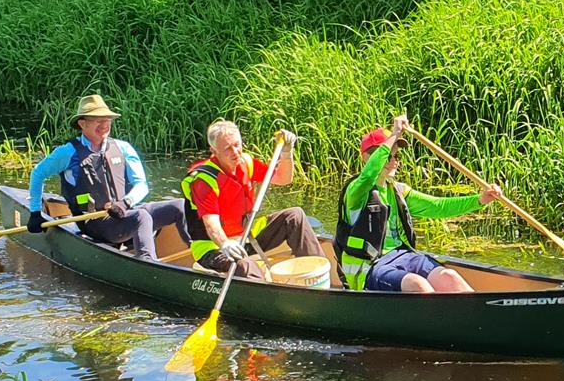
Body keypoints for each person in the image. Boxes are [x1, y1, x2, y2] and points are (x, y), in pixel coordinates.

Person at [336, 113, 500, 292]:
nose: (393, 162)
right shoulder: (357, 191)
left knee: (450, 277)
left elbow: (438, 206)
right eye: (387, 157)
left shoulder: (398, 191)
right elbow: (369, 174)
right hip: (370, 265)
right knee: (418, 285)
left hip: (403, 256)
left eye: (396, 157)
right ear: (367, 158)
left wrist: (480, 199)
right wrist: (394, 135)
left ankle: (475, 315)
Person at [26, 94, 187, 259]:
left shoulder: (123, 148)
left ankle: (201, 255)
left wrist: (125, 203)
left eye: (107, 120)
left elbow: (141, 184)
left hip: (126, 211)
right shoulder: (68, 152)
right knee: (141, 217)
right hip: (95, 222)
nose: (104, 125)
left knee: (180, 206)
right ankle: (149, 264)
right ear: (83, 123)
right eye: (98, 120)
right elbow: (38, 173)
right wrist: (35, 212)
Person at [181, 119, 324, 280]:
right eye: (228, 148)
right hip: (214, 247)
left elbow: (283, 178)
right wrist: (225, 244)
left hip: (246, 236)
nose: (235, 152)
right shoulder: (204, 181)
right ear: (214, 150)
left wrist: (286, 153)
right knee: (244, 264)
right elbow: (211, 224)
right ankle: (269, 296)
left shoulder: (245, 163)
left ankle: (318, 276)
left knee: (294, 216)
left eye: (237, 144)